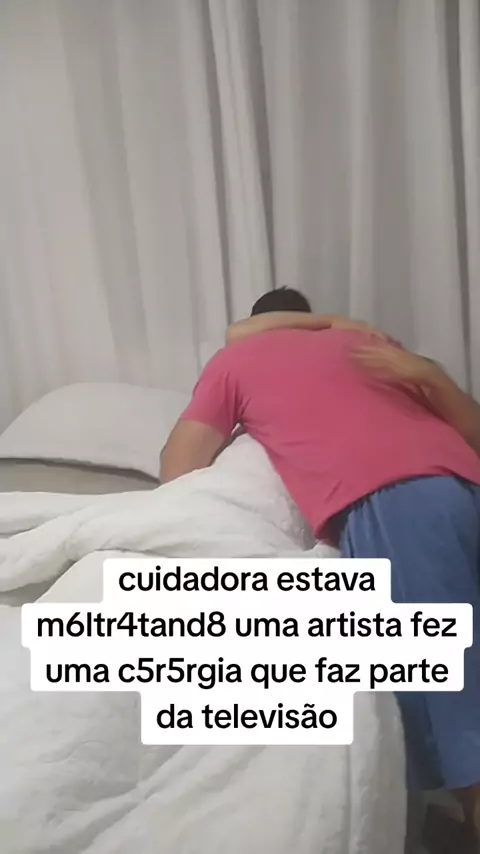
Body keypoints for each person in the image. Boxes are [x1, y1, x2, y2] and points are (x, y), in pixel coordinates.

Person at [160, 287, 480, 845]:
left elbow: (177, 473)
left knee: (462, 732)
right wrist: (430, 375)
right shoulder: (370, 342)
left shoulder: (237, 358)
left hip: (400, 497)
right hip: (460, 487)